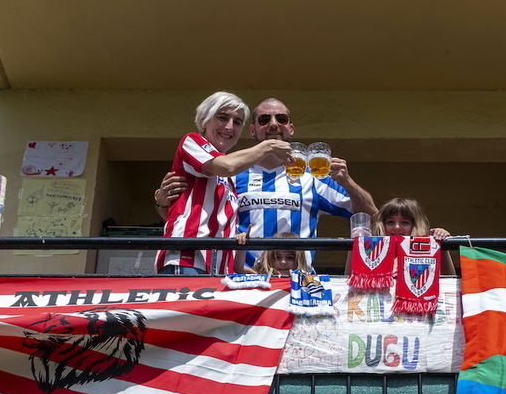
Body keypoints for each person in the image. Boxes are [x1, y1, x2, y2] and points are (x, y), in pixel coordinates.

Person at [155, 97, 376, 269]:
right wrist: (161, 202)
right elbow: (192, 216)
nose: (273, 125)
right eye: (264, 120)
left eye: (281, 119)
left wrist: (348, 182)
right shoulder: (229, 174)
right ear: (252, 130)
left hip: (295, 284)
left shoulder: (313, 178)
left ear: (291, 128)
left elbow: (371, 215)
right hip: (239, 281)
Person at [155, 92, 292, 275]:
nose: (229, 127)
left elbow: (179, 214)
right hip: (186, 260)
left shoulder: (228, 180)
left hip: (217, 270)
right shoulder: (193, 142)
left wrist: (255, 274)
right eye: (222, 118)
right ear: (204, 119)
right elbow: (227, 166)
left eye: (236, 122)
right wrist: (268, 146)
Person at [348, 197, 456, 275]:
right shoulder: (371, 250)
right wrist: (353, 244)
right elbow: (345, 279)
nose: (397, 227)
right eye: (390, 222)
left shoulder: (427, 248)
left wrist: (442, 245)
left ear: (415, 226)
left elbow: (449, 278)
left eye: (404, 222)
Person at [231, 231, 309, 276]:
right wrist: (243, 243)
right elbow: (239, 268)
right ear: (269, 259)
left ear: (299, 260)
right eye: (277, 257)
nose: (283, 262)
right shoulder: (261, 276)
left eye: (290, 258)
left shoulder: (305, 282)